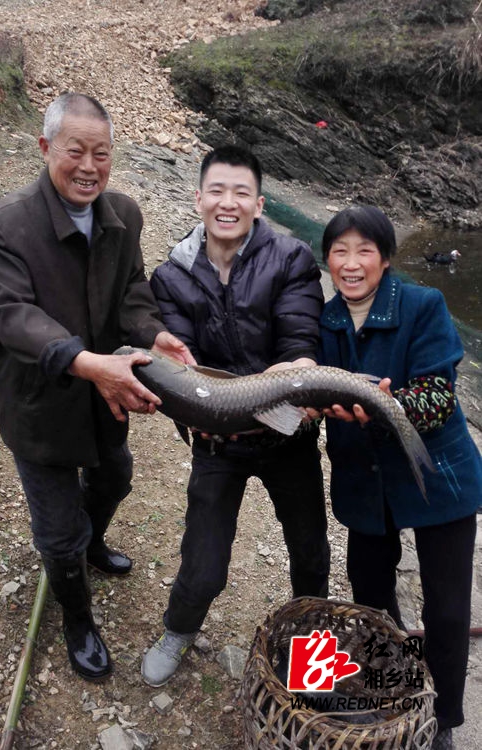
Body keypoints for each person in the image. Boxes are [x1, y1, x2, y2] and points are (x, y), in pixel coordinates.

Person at [0, 92, 195, 681]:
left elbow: (131, 291)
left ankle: (90, 543)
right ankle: (77, 615)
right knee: (55, 528)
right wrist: (82, 359)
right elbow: (13, 316)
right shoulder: (5, 223)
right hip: (41, 400)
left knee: (115, 476)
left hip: (105, 392)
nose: (89, 167)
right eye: (75, 151)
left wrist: (154, 336)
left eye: (101, 153)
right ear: (47, 146)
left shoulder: (122, 213)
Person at [141, 144, 330, 687]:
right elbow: (180, 368)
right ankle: (179, 629)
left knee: (310, 549)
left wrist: (299, 367)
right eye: (217, 191)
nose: (228, 203)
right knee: (203, 562)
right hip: (217, 442)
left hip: (285, 435)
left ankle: (311, 645)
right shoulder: (170, 277)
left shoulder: (292, 257)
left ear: (258, 202)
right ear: (198, 197)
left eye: (241, 193)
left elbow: (299, 338)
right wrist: (189, 412)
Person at [319, 205, 481, 750]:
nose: (352, 263)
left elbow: (437, 398)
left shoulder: (424, 303)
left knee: (449, 605)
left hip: (439, 479)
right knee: (369, 589)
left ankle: (446, 719)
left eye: (365, 250)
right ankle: (400, 688)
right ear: (328, 260)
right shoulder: (326, 320)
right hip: (367, 483)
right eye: (340, 251)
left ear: (386, 258)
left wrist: (388, 405)